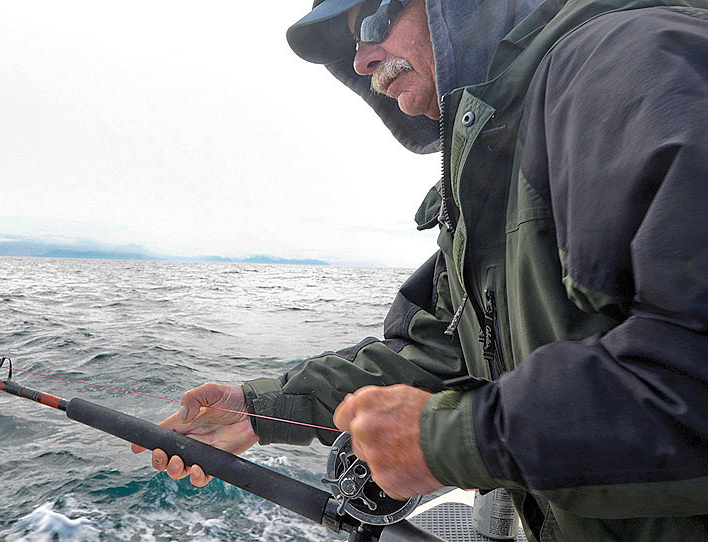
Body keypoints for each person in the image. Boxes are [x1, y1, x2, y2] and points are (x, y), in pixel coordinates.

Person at [132, 0, 708, 539]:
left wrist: (449, 440)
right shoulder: (489, 171)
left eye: (371, 20)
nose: (361, 59)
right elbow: (441, 356)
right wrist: (259, 409)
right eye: (351, 43)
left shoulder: (633, 63)